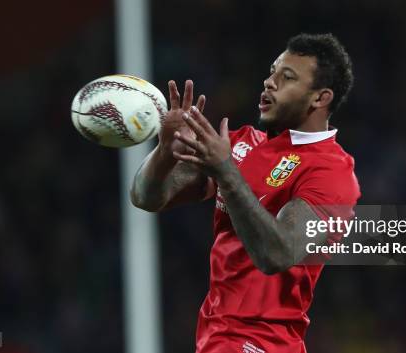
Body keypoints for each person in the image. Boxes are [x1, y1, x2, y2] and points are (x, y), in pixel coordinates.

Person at [131, 33, 360, 353]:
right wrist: (165, 153)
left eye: (287, 77)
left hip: (261, 342)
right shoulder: (240, 143)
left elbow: (277, 254)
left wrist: (225, 173)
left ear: (319, 99)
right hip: (217, 335)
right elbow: (146, 196)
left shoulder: (332, 173)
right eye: (272, 71)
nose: (269, 82)